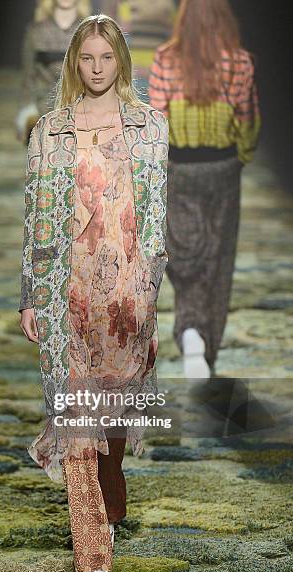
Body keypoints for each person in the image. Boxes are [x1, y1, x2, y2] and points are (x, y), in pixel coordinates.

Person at [18, 13, 169, 572]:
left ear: (122, 62)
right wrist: (29, 295)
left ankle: (113, 469)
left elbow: (156, 220)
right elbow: (34, 218)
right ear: (74, 64)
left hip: (126, 295)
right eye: (88, 59)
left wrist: (152, 292)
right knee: (75, 419)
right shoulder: (48, 131)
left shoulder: (150, 128)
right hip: (63, 293)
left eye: (107, 58)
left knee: (111, 412)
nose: (98, 68)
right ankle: (92, 561)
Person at [148, 0, 261, 379]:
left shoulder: (166, 59)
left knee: (184, 252)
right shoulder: (240, 61)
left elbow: (157, 119)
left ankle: (193, 333)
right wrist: (240, 157)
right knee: (218, 255)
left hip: (180, 166)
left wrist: (159, 166)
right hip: (223, 166)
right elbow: (247, 117)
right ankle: (204, 342)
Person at [15, 0, 91, 143]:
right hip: (42, 111)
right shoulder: (36, 31)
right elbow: (28, 76)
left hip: (79, 113)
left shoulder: (89, 31)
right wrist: (24, 113)